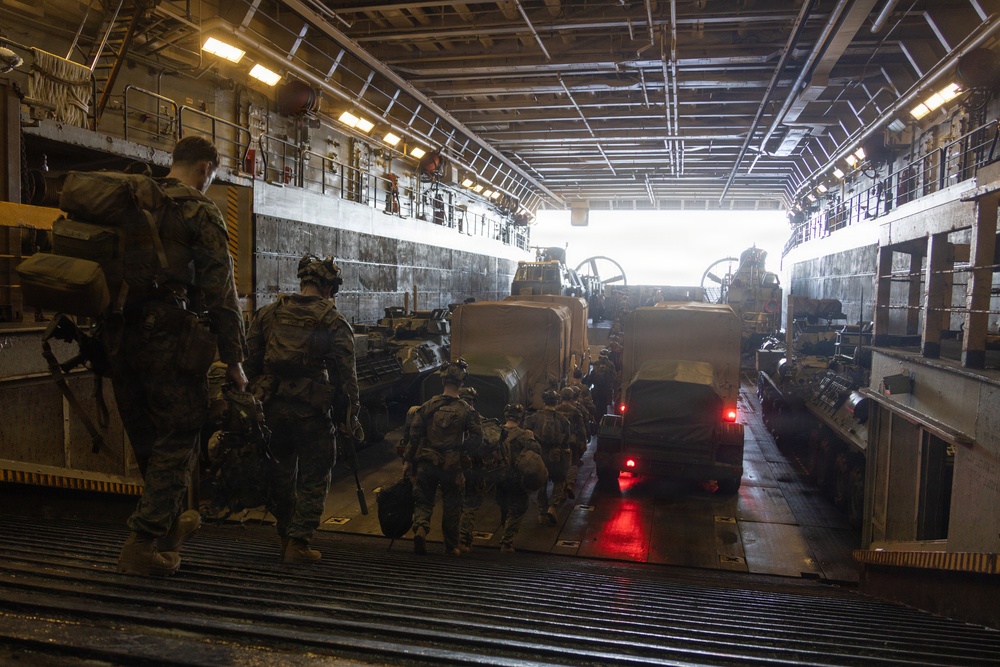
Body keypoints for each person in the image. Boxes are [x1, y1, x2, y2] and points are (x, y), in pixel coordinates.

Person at [114, 136, 247, 577]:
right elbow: (220, 291)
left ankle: (171, 527)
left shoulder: (131, 199)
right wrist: (234, 359)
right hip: (168, 341)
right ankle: (142, 543)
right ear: (207, 167)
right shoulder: (199, 210)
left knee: (149, 441)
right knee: (179, 437)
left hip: (116, 338)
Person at [244, 255, 360, 563]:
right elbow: (346, 376)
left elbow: (249, 363)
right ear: (328, 286)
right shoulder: (333, 321)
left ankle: (285, 536)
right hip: (311, 413)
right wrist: (350, 416)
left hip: (272, 410)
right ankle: (299, 542)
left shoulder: (268, 313)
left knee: (280, 473)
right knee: (315, 475)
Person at [403, 359, 483, 555]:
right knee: (452, 505)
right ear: (461, 383)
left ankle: (421, 529)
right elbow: (478, 437)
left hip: (427, 462)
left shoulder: (429, 405)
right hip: (452, 466)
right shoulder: (466, 409)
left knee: (423, 500)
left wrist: (407, 461)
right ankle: (450, 546)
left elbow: (414, 435)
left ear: (443, 381)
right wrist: (462, 451)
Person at [496, 403, 542, 553]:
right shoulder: (524, 435)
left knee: (504, 506)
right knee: (517, 508)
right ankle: (507, 542)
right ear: (520, 418)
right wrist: (531, 438)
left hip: (498, 477)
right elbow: (536, 452)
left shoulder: (495, 432)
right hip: (516, 478)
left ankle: (504, 533)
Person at [457, 386, 497, 553]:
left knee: (453, 503)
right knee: (470, 504)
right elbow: (490, 444)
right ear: (473, 402)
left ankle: (451, 540)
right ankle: (463, 539)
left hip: (450, 466)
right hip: (473, 469)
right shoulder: (478, 420)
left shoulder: (450, 417)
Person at [524, 389, 570, 526]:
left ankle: (541, 513)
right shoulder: (563, 419)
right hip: (556, 456)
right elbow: (567, 440)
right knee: (559, 481)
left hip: (539, 455)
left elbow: (526, 434)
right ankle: (553, 507)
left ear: (544, 401)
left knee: (542, 484)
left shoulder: (534, 417)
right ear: (557, 402)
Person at [556, 386, 589, 500]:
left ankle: (559, 489)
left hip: (558, 441)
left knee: (560, 464)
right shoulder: (575, 410)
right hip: (572, 441)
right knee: (573, 462)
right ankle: (570, 484)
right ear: (571, 397)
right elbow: (581, 428)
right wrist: (584, 441)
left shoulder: (556, 409)